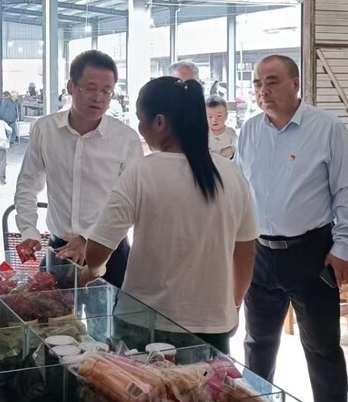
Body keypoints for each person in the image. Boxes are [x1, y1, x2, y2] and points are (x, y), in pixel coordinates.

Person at [81, 77, 259, 354]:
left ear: (160, 122)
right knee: (203, 385)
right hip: (212, 325)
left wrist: (92, 272)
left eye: (140, 119)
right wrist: (233, 305)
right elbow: (246, 254)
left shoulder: (141, 172)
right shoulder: (232, 173)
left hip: (143, 322)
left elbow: (97, 251)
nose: (140, 129)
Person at [236, 55, 348, 402]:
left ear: (295, 84)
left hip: (311, 253)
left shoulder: (326, 129)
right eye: (258, 83)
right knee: (257, 345)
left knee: (322, 349)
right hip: (259, 253)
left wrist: (344, 247)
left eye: (272, 81)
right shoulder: (250, 130)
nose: (263, 90)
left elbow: (347, 192)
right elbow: (240, 191)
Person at [14, 50, 143, 289]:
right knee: (46, 312)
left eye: (106, 91)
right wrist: (29, 230)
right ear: (71, 87)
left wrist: (89, 238)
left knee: (114, 312)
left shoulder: (125, 139)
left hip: (110, 252)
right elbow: (27, 185)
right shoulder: (45, 130)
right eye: (90, 88)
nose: (98, 97)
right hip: (59, 250)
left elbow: (131, 203)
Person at [207, 95, 237, 160]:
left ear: (226, 115)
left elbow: (237, 149)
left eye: (219, 116)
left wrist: (231, 150)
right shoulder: (203, 134)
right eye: (210, 117)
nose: (214, 120)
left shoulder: (231, 133)